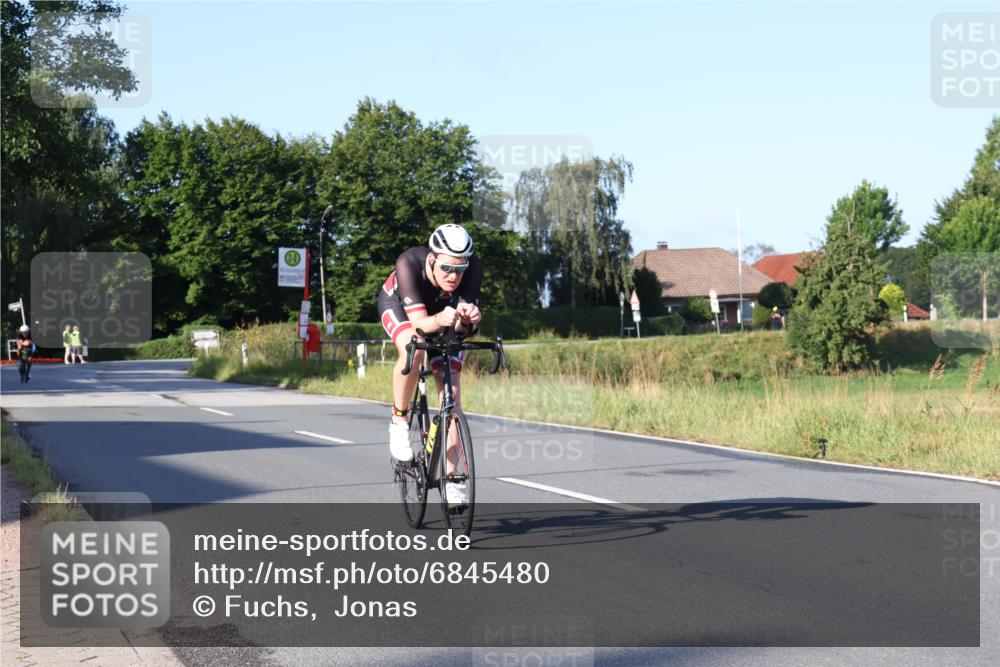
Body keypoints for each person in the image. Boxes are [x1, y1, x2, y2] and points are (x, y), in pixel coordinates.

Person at [377, 224, 483, 504]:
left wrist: (469, 319)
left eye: (460, 269)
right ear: (433, 259)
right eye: (446, 268)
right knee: (412, 348)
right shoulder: (409, 263)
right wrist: (440, 320)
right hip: (401, 309)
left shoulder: (473, 270)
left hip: (442, 316)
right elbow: (419, 326)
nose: (453, 276)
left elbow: (461, 329)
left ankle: (454, 478)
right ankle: (399, 420)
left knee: (452, 392)